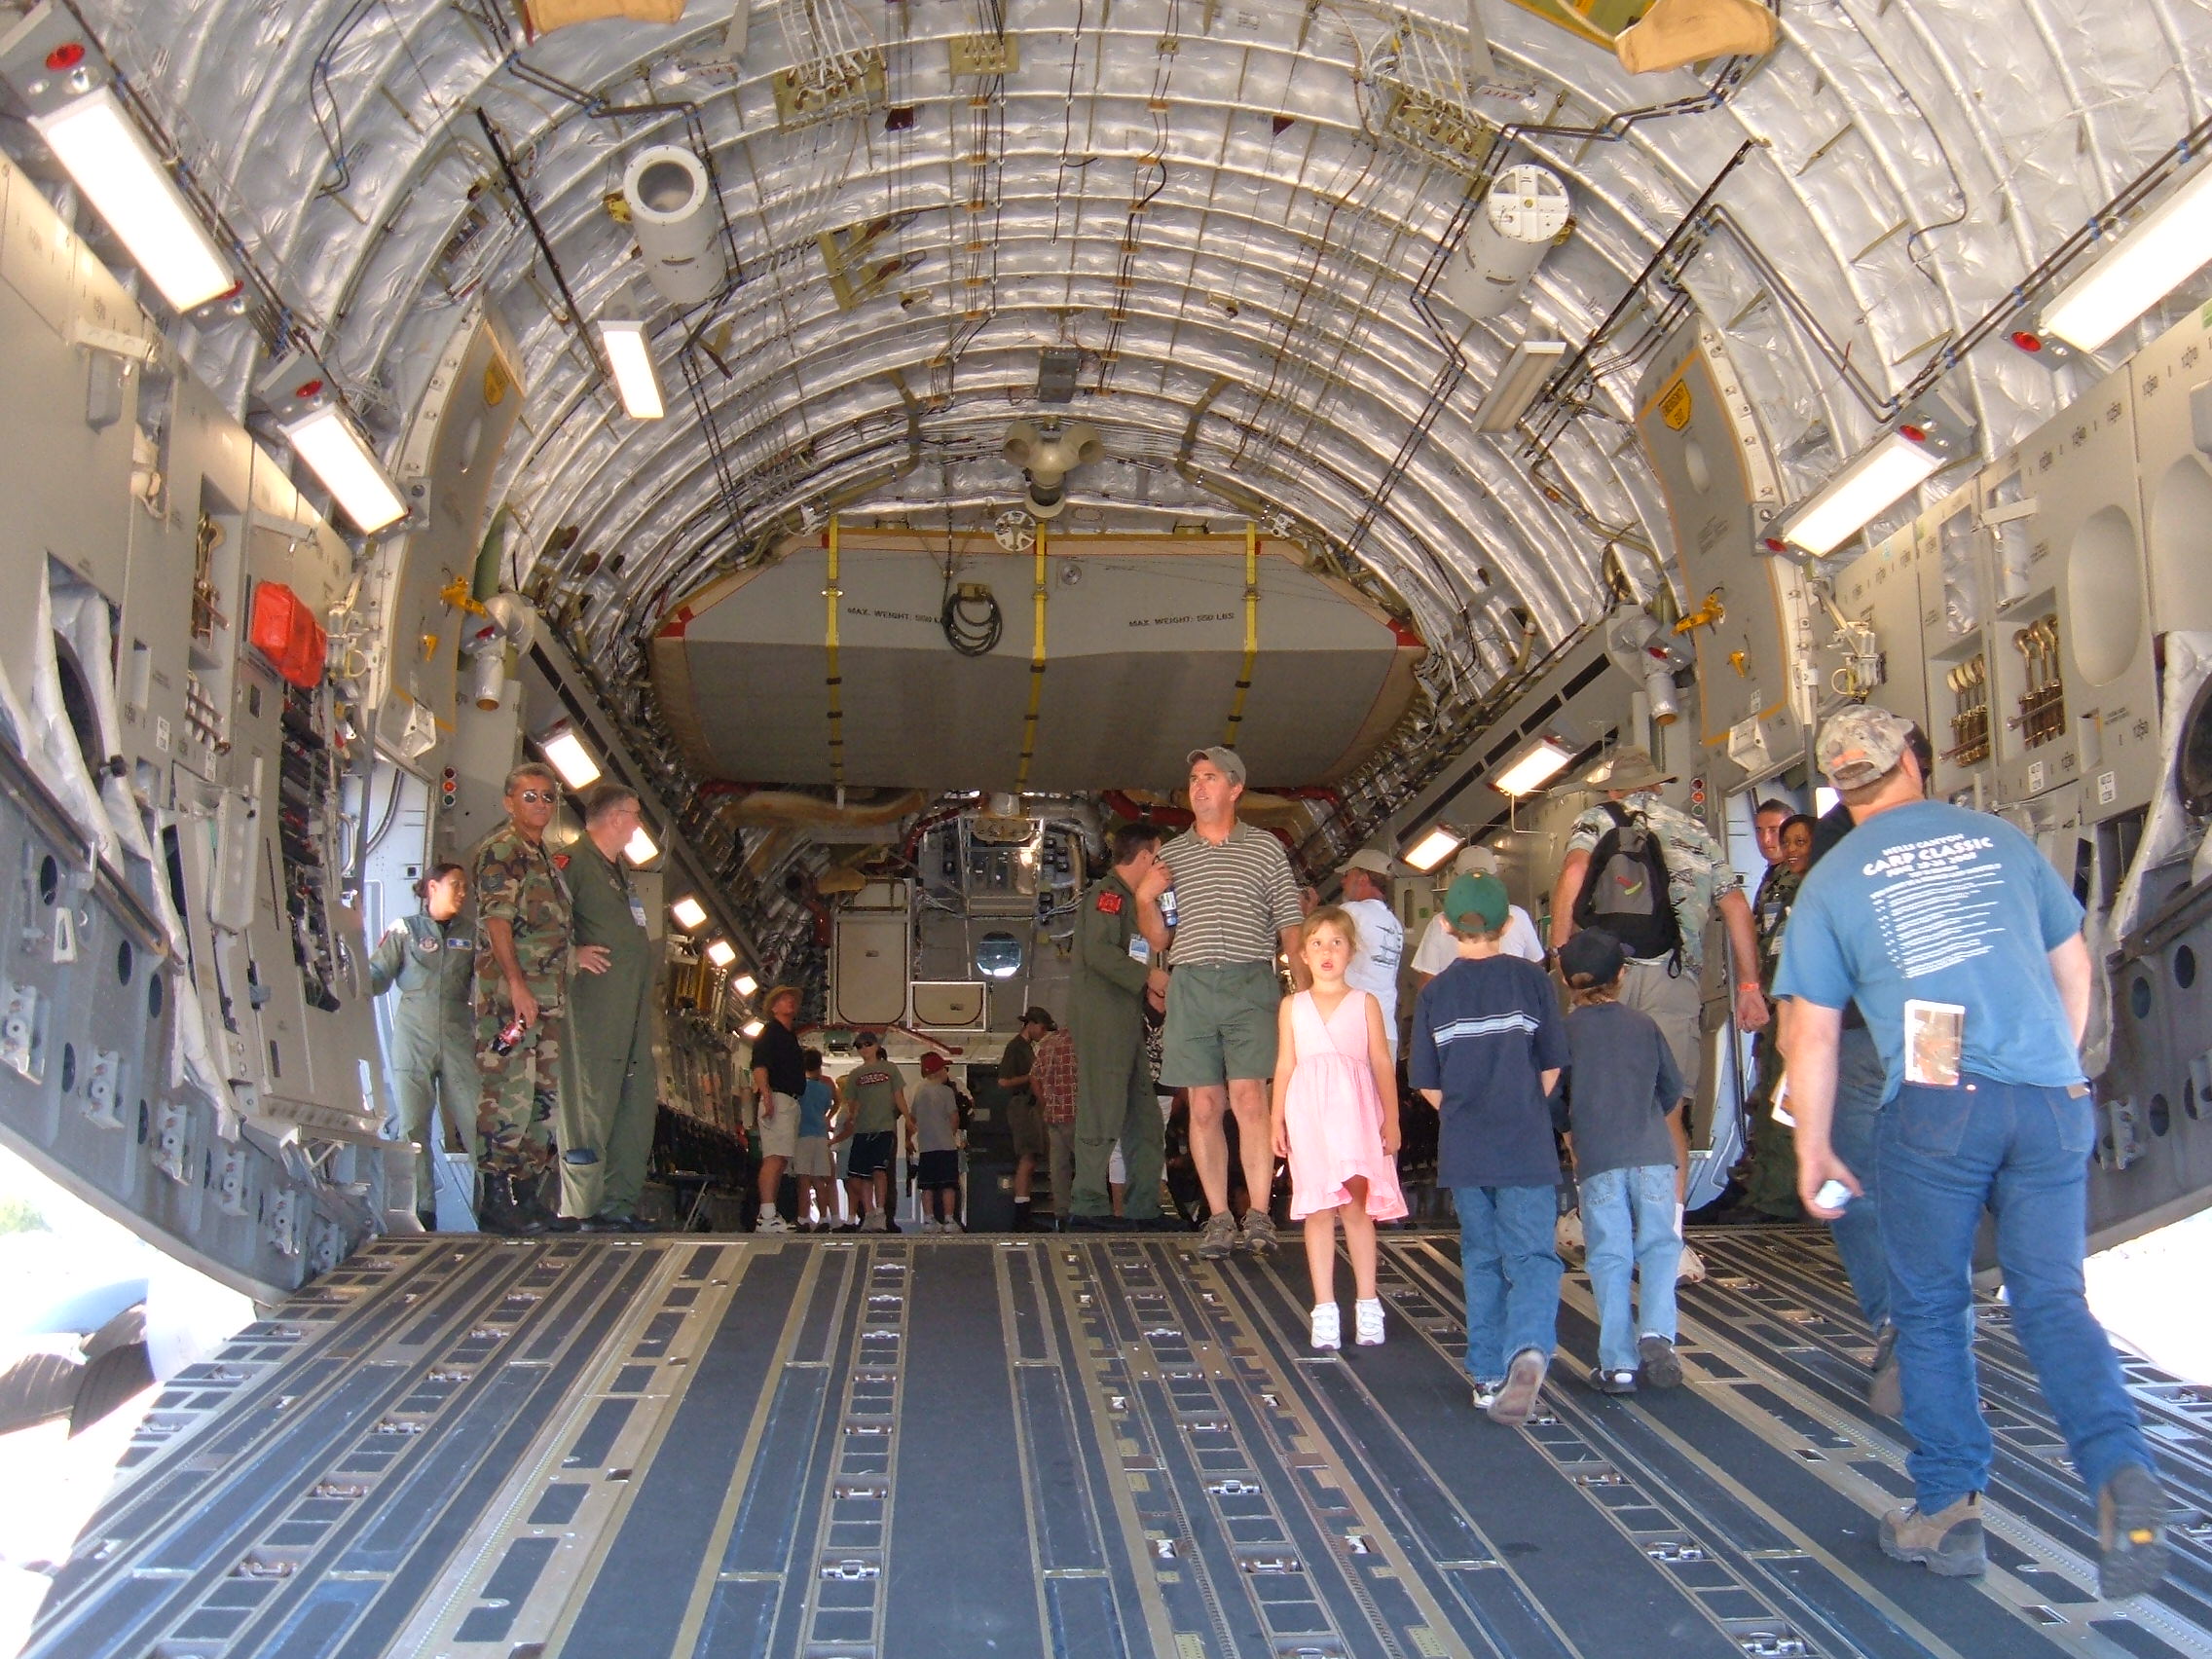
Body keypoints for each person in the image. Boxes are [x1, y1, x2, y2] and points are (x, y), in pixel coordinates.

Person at [1777, 705, 2171, 1598]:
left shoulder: (1832, 883)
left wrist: (1814, 1147)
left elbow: (1815, 1035)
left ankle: (1950, 1509)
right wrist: (2053, 1069)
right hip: (2050, 1097)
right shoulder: (2000, 841)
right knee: (2053, 1299)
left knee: (1930, 1307)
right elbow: (2076, 966)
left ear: (1839, 789)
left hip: (1939, 1099)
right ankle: (2117, 1470)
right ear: (1915, 761)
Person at [1548, 747, 1768, 1185]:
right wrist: (1748, 987)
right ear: (1656, 785)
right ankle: (1670, 1230)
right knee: (1669, 1107)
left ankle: (1603, 1216)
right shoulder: (1694, 832)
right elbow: (1737, 908)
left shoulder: (1597, 820)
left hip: (1606, 978)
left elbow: (1574, 871)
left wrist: (1562, 954)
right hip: (1674, 977)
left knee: (1589, 1100)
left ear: (1613, 789)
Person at [1410, 871, 1567, 1426]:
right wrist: (1521, 1105)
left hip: (1466, 1149)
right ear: (1508, 924)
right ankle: (1527, 1347)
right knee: (1532, 1257)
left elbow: (1427, 1082)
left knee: (1481, 1257)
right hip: (1525, 1144)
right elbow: (1551, 1065)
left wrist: (1463, 1113)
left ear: (1447, 925)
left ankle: (1486, 1376)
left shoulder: (1435, 994)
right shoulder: (1533, 982)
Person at [1149, 747, 1308, 1260]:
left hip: (1249, 984)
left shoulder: (1264, 850)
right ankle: (1218, 1217)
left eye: (1209, 778)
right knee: (1203, 1106)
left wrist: (1306, 999)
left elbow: (1290, 926)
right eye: (1194, 778)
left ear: (1235, 788)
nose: (1198, 787)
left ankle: (1259, 1214)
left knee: (1249, 1100)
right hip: (1191, 984)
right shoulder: (1171, 856)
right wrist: (1143, 897)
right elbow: (1157, 937)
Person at [1270, 906, 1405, 1351]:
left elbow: (1381, 1061)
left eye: (1337, 942)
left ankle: (1368, 1303)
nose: (1327, 951)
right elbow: (1285, 1064)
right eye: (1317, 943)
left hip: (1355, 1114)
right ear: (1302, 955)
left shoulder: (1365, 1003)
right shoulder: (1292, 1006)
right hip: (1308, 1113)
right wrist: (1276, 1119)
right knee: (1318, 1208)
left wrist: (1392, 1117)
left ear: (1351, 951)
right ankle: (1324, 1307)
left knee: (1357, 1206)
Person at [1557, 928, 1686, 1395]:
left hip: (1599, 1159)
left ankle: (1619, 1365)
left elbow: (1552, 1096)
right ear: (1623, 976)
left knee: (1609, 1255)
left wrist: (1571, 1133)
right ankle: (1657, 1333)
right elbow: (1671, 1089)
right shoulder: (1644, 1025)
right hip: (1653, 1153)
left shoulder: (1564, 1033)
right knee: (1658, 1246)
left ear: (1565, 979)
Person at [470, 762, 574, 1235]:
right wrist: (515, 984)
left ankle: (531, 1196)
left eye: (548, 797)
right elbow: (498, 922)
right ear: (509, 802)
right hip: (512, 997)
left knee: (542, 1099)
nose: (541, 805)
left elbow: (548, 928)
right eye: (530, 796)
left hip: (547, 996)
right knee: (507, 1093)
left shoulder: (545, 858)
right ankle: (495, 1197)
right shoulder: (502, 851)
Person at [563, 782, 662, 1232]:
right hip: (597, 1009)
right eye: (636, 815)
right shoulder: (571, 864)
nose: (639, 824)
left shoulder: (620, 871)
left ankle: (618, 1204)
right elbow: (536, 922)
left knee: (635, 1103)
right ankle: (583, 1207)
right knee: (591, 1105)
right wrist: (570, 955)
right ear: (615, 817)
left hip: (633, 1007)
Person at [1070, 823, 1169, 1230]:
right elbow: (1097, 951)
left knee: (1144, 1119)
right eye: (1158, 856)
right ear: (1145, 857)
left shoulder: (1131, 901)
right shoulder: (1108, 897)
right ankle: (1089, 1204)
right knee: (1101, 1112)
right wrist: (1149, 978)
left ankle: (1143, 1206)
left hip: (1126, 1020)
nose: (1162, 866)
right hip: (1102, 1018)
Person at [366, 863, 476, 1229]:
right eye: (455, 885)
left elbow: (489, 984)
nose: (462, 892)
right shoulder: (405, 931)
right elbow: (377, 977)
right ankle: (421, 1211)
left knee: (475, 1121)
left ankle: (489, 1205)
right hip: (413, 1034)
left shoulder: (471, 934)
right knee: (413, 1128)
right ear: (432, 887)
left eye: (465, 887)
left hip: (459, 1031)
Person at [1734, 811, 1818, 1223]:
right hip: (1774, 1005)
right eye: (1788, 843)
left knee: (1790, 1104)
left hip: (1804, 1008)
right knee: (1768, 1100)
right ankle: (1765, 1190)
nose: (1790, 850)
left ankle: (1785, 1199)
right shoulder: (1774, 882)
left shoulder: (1820, 885)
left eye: (1801, 842)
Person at [1410, 845, 1542, 987]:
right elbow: (1535, 970)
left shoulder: (1441, 923)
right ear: (1495, 878)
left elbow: (1428, 984)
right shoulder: (1517, 917)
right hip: (1511, 1006)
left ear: (1456, 880)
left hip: (1458, 1006)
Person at [1334, 849, 1407, 1054]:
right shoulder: (1394, 924)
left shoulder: (1352, 912)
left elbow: (1316, 938)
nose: (1342, 882)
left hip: (1355, 1029)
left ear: (1363, 878)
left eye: (1347, 875)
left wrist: (1306, 910)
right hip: (1386, 1031)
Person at [749, 986, 805, 1234]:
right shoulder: (770, 1032)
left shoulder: (789, 1036)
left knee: (781, 1158)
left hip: (790, 1100)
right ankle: (767, 1215)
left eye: (791, 999)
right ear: (773, 1007)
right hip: (778, 1098)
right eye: (783, 999)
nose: (790, 1001)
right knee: (773, 1157)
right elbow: (759, 1064)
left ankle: (770, 1212)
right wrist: (767, 1095)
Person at [842, 1032, 909, 1232]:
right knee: (862, 1175)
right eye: (860, 1046)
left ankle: (880, 1212)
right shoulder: (855, 1074)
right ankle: (869, 1213)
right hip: (863, 1129)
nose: (864, 1049)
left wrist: (908, 1117)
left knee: (880, 1171)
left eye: (868, 1044)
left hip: (884, 1127)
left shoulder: (890, 1069)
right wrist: (851, 1117)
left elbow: (898, 1095)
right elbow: (852, 1101)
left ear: (877, 1046)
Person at [996, 1007, 1053, 1231]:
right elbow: (1003, 1081)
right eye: (1041, 1027)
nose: (1043, 1032)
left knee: (1033, 1157)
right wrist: (1030, 1078)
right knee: (1027, 1156)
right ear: (1030, 1024)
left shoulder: (1028, 1048)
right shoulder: (1015, 1048)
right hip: (1022, 1106)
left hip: (1031, 1106)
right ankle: (1021, 1213)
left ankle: (1025, 1209)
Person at [1031, 1020, 1079, 1229]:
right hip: (1078, 1113)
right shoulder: (1082, 1044)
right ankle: (1085, 1212)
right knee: (1087, 1166)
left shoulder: (1049, 1043)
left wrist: (1045, 1101)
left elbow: (1034, 1077)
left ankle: (1062, 1214)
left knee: (1059, 1167)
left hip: (1053, 1115)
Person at [910, 1051, 964, 1233]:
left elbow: (913, 1118)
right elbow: (954, 1117)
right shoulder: (947, 1091)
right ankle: (949, 1219)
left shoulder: (919, 1093)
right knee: (948, 1185)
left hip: (926, 1147)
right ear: (938, 1071)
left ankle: (928, 1219)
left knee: (927, 1186)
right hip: (946, 1145)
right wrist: (951, 1134)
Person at [794, 1049, 837, 1230]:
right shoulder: (825, 1089)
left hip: (803, 1135)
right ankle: (823, 1217)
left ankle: (803, 1218)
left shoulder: (799, 1088)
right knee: (820, 1179)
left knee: (804, 1180)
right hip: (821, 1136)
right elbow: (829, 1106)